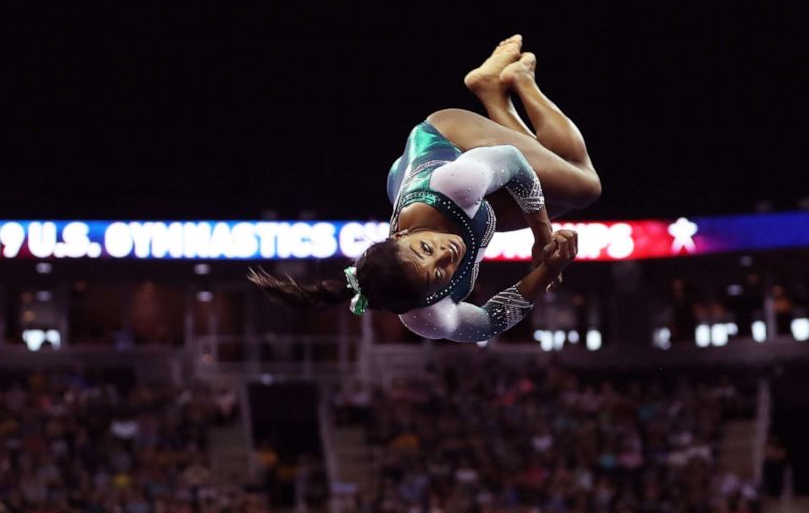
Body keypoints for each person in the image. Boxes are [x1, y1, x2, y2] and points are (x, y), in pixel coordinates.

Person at [250, 35, 601, 343]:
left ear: (398, 234)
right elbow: (485, 323)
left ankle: (520, 80)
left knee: (582, 184)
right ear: (425, 299)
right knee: (555, 199)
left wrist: (541, 239)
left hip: (448, 140)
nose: (446, 254)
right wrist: (546, 272)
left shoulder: (455, 185)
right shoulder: (425, 316)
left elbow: (513, 162)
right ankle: (492, 88)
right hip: (426, 187)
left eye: (424, 249)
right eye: (437, 274)